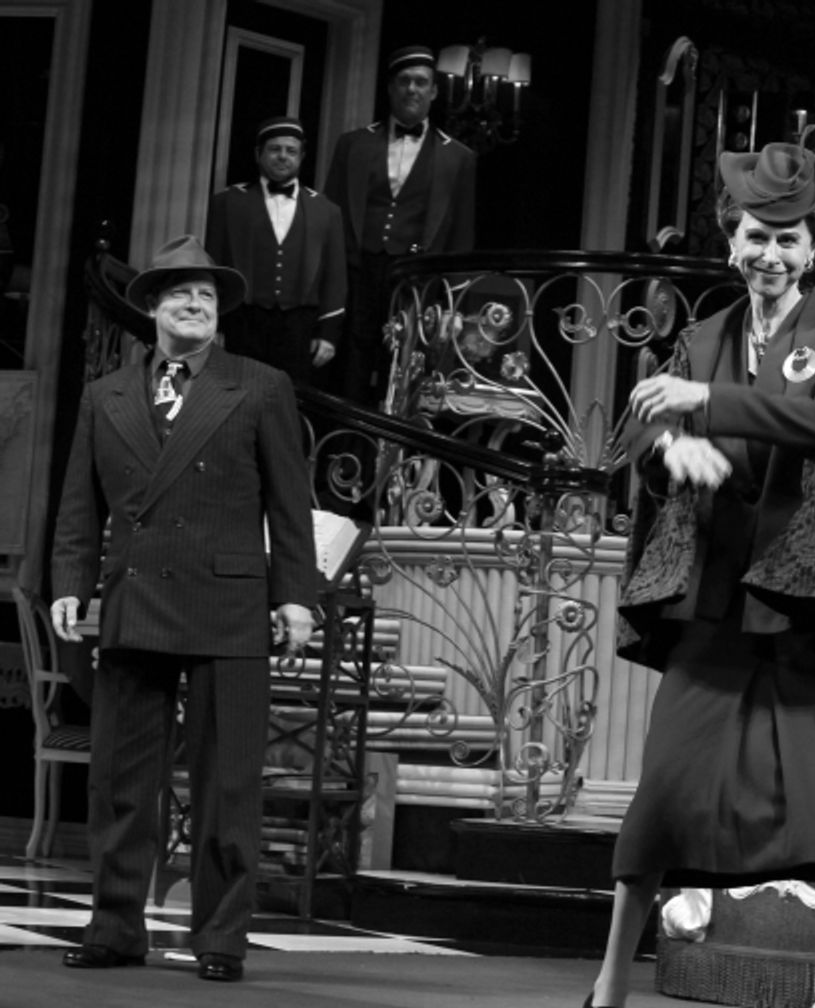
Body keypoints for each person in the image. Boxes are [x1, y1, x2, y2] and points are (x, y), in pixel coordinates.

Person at [586, 143, 815, 1008]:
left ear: (814, 247)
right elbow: (641, 433)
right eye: (756, 238)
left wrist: (701, 404)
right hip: (715, 600)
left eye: (788, 240)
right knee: (665, 796)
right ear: (732, 242)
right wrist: (673, 446)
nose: (771, 256)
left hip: (813, 601)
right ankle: (606, 991)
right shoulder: (703, 336)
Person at [49, 235, 317, 983]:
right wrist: (71, 580)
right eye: (179, 295)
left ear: (217, 312)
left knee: (226, 787)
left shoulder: (259, 386)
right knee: (119, 783)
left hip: (228, 607)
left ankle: (220, 938)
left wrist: (296, 596)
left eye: (205, 295)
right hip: (134, 600)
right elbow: (79, 502)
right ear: (152, 310)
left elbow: (290, 506)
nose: (194, 305)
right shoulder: (106, 393)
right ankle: (115, 927)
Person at [325, 44, 476, 407]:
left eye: (421, 82)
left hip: (417, 282)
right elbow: (330, 218)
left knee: (404, 374)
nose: (412, 89)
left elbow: (461, 237)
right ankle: (344, 456)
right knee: (349, 372)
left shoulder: (459, 157)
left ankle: (391, 461)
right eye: (405, 81)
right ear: (391, 88)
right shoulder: (353, 144)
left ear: (434, 92)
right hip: (358, 272)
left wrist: (454, 303)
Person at [205, 115, 347, 386]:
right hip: (243, 321)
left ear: (302, 156)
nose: (283, 156)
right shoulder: (227, 203)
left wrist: (328, 334)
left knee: (290, 403)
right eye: (275, 149)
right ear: (258, 154)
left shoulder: (326, 211)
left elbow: (335, 278)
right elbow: (213, 268)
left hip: (299, 327)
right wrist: (216, 325)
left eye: (291, 150)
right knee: (236, 395)